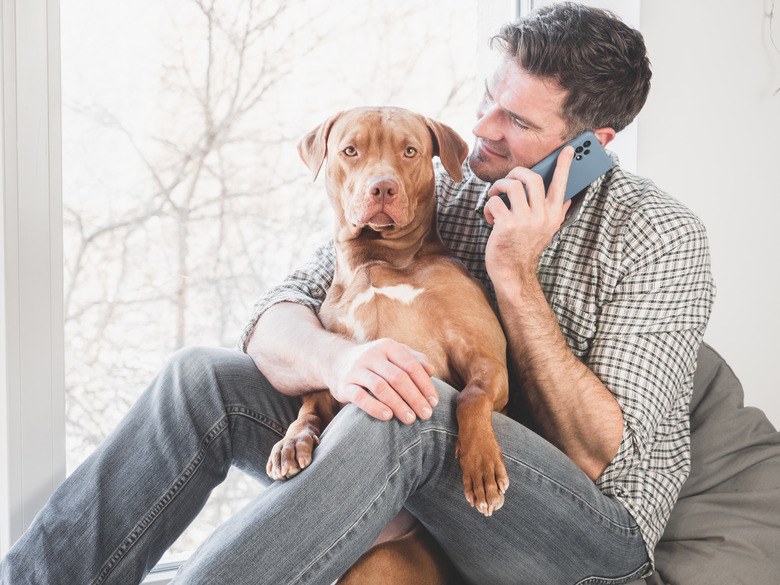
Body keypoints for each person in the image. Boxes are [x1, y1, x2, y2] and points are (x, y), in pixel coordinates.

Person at [0, 3, 715, 584]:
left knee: (411, 400)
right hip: (423, 478)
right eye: (487, 100)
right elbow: (276, 312)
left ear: (592, 141)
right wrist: (337, 363)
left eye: (518, 122)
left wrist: (514, 276)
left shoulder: (659, 238)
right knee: (201, 378)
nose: (484, 130)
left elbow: (598, 454)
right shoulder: (450, 185)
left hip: (581, 535)